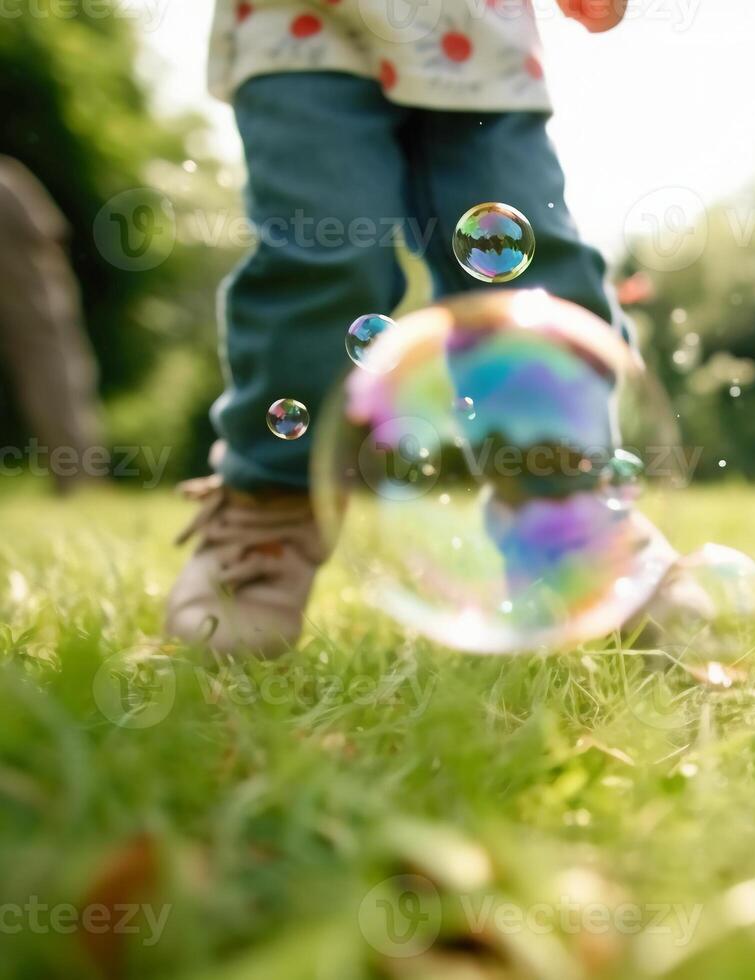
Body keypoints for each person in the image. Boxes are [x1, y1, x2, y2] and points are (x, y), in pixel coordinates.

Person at [167, 0, 630, 657]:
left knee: (531, 269)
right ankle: (265, 520)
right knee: (323, 259)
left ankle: (574, 518)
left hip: (478, 30)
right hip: (303, 27)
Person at [0, 157, 105, 494]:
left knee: (53, 393)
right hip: (41, 309)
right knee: (62, 391)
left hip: (34, 308)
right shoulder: (8, 179)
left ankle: (77, 482)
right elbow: (52, 232)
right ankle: (79, 482)